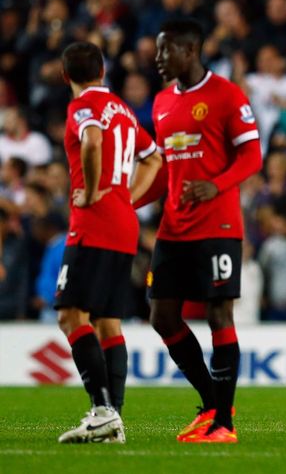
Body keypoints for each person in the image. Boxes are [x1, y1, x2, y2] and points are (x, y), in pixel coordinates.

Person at [146, 19, 262, 444]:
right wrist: (127, 200)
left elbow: (252, 156)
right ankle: (211, 401)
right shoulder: (160, 103)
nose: (158, 59)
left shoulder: (227, 95)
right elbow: (165, 170)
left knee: (218, 314)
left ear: (189, 50)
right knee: (161, 315)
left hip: (219, 225)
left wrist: (217, 184)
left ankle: (225, 424)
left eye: (165, 51)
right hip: (173, 228)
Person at [55, 41, 162, 443]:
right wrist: (127, 198)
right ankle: (112, 418)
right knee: (107, 321)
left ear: (67, 77)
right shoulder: (123, 109)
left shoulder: (83, 106)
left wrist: (96, 189)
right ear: (102, 71)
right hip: (123, 223)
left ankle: (102, 410)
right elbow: (153, 159)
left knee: (70, 314)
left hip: (93, 222)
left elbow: (93, 140)